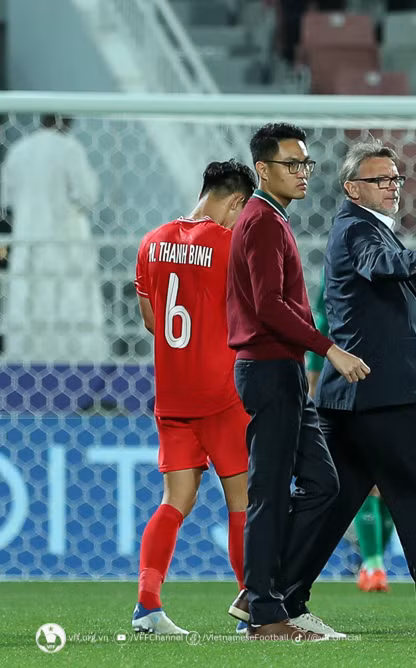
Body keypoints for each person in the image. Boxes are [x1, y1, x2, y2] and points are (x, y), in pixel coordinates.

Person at [280, 139, 416, 638]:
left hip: (351, 397)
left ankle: (277, 599)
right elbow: (380, 265)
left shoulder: (375, 235)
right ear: (351, 187)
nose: (392, 187)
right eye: (381, 179)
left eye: (396, 179)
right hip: (385, 397)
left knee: (333, 503)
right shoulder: (357, 230)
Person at [226, 122, 369, 641]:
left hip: (279, 367)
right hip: (268, 367)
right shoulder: (262, 221)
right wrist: (328, 347)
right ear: (263, 170)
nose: (304, 172)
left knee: (322, 483)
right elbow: (267, 306)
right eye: (292, 164)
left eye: (306, 163)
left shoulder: (271, 219)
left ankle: (264, 587)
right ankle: (266, 611)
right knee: (269, 489)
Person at [131, 160, 257, 635]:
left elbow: (150, 318)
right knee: (242, 502)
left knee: (174, 501)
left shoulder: (151, 241)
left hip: (173, 395)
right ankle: (253, 611)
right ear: (236, 203)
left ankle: (148, 607)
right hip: (223, 394)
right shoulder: (229, 244)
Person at [305, 265, 416, 592]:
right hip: (354, 386)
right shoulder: (336, 272)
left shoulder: (407, 271)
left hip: (397, 388)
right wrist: (313, 378)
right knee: (369, 478)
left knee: (391, 481)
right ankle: (373, 563)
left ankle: (372, 561)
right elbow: (323, 323)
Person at [0, 114, 106, 363]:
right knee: (71, 303)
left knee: (30, 301)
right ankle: (77, 363)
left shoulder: (19, 150)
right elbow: (88, 196)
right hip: (66, 242)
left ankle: (26, 360)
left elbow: (6, 198)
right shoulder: (70, 149)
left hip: (28, 241)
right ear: (68, 121)